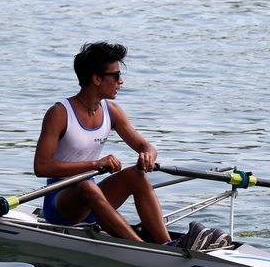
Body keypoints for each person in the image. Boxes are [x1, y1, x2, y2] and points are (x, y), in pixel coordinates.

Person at [33, 42, 171, 244]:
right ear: (97, 79)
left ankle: (166, 244)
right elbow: (41, 166)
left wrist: (148, 155)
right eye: (115, 76)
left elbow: (145, 146)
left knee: (136, 175)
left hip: (93, 201)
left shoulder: (112, 110)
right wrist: (96, 164)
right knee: (86, 187)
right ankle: (141, 249)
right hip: (61, 206)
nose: (121, 81)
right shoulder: (59, 113)